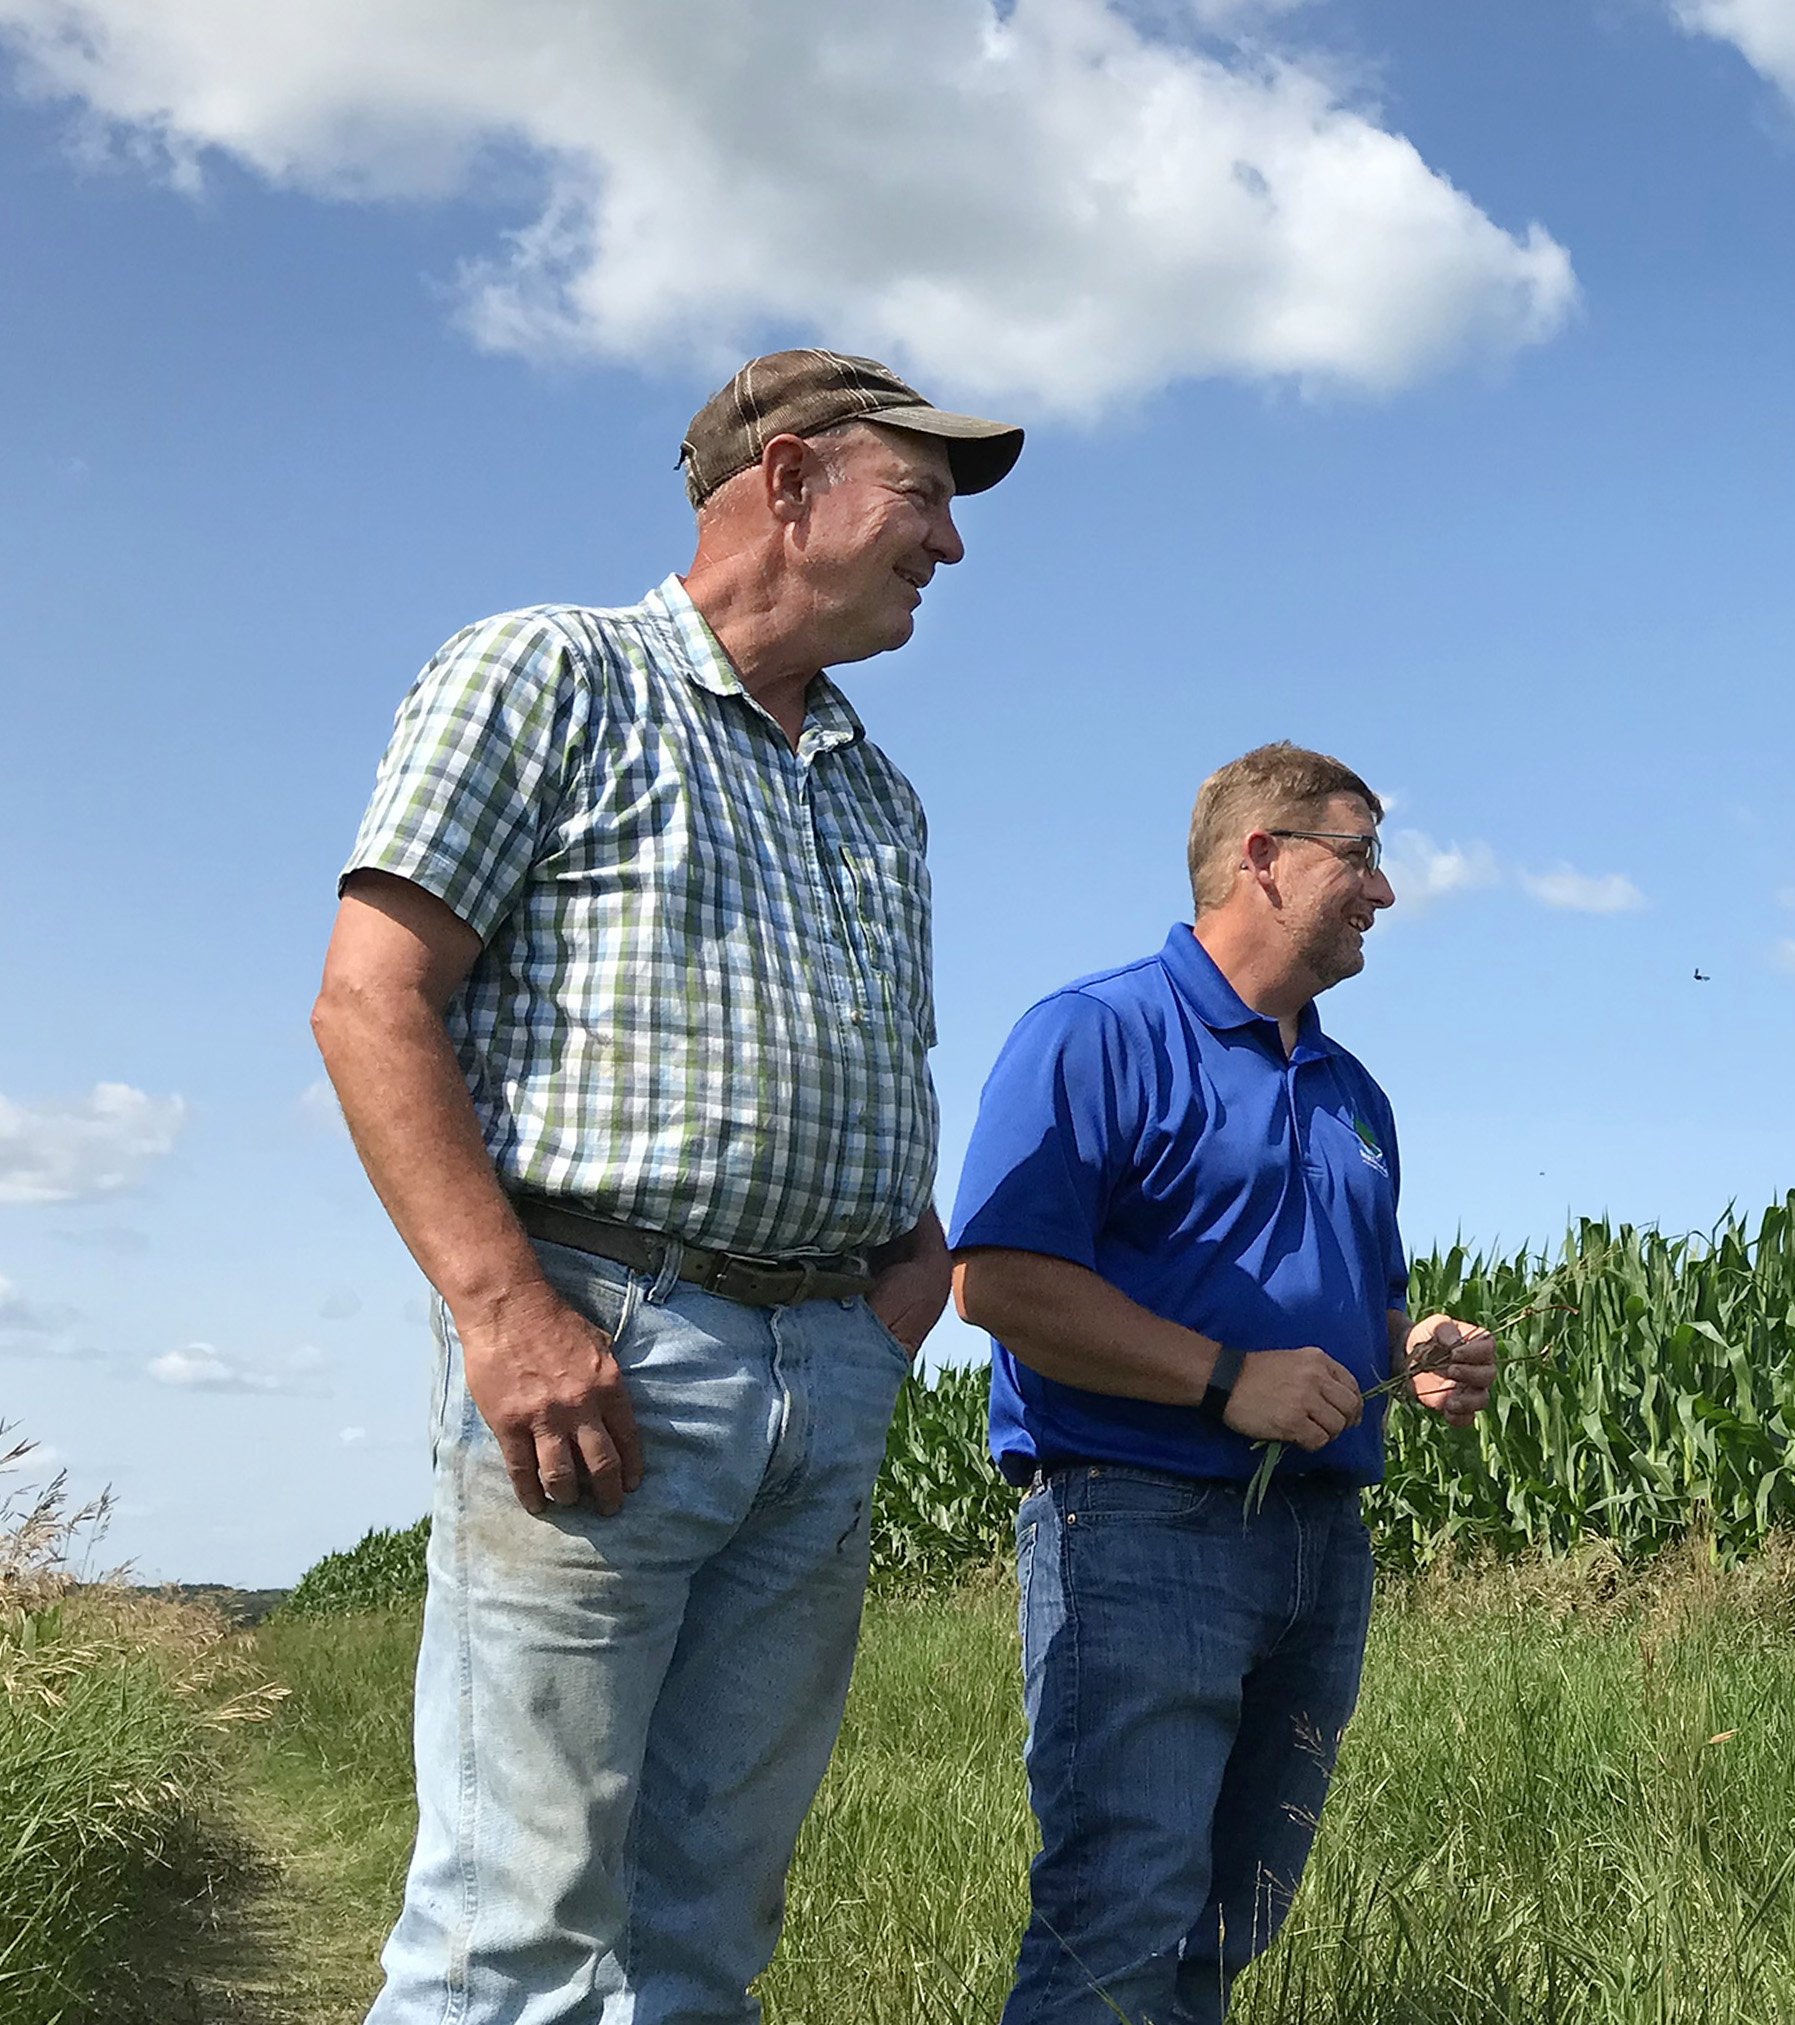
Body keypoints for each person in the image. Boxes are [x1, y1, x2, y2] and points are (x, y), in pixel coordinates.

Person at [313, 350, 1022, 2019]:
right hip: (606, 1351)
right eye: (920, 496)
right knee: (521, 1919)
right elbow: (371, 998)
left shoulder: (875, 786)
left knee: (709, 1919)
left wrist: (894, 1296)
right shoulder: (551, 672)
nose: (953, 546)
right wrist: (507, 1313)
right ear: (785, 482)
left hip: (824, 1375)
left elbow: (876, 1052)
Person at [947, 740, 1500, 2024]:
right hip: (1140, 1525)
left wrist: (1413, 1355)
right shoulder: (1096, 1032)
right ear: (1263, 857)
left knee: (1229, 1916)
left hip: (1316, 1543)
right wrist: (1224, 1380)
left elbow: (1360, 1306)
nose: (1385, 891)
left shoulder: (1355, 1091)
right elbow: (1001, 1282)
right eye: (1359, 856)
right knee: (1121, 1913)